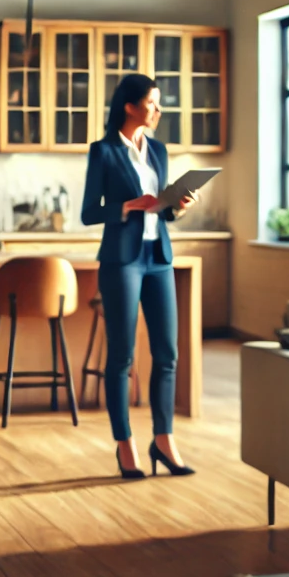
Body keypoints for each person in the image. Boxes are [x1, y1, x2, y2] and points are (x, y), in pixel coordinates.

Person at [81, 73, 198, 479]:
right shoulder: (104, 151)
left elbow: (163, 210)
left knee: (167, 354)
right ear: (130, 106)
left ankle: (163, 441)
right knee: (122, 356)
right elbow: (88, 212)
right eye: (152, 102)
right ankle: (125, 444)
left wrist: (176, 206)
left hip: (158, 256)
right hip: (122, 260)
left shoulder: (160, 151)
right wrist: (128, 205)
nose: (158, 110)